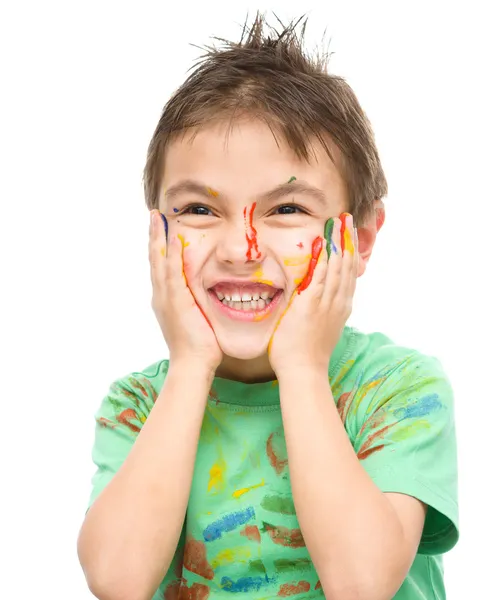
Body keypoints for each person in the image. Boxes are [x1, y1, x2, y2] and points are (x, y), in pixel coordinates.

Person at [77, 14, 458, 600]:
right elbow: (118, 580)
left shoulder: (398, 388)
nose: (239, 250)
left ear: (364, 237)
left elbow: (362, 583)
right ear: (155, 230)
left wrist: (302, 369)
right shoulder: (140, 406)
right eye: (200, 211)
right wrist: (189, 366)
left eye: (287, 210)